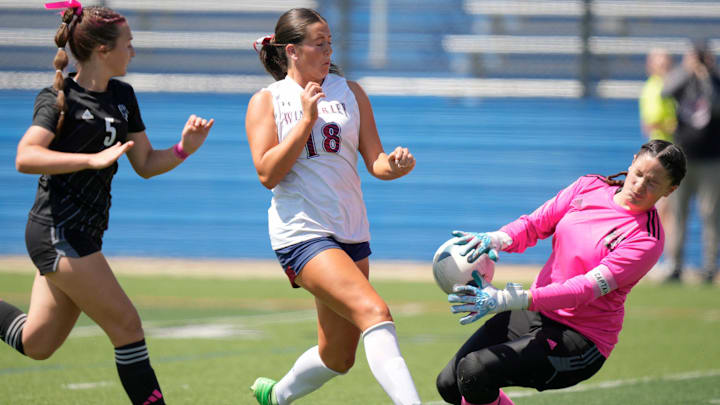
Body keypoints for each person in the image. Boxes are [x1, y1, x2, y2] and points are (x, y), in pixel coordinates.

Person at [0, 2, 214, 404]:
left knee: (37, 343)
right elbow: (25, 156)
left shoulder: (122, 95)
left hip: (84, 233)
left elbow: (147, 163)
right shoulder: (59, 97)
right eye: (127, 43)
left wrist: (185, 148)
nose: (132, 50)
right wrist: (89, 160)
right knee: (128, 326)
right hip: (56, 231)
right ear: (102, 49)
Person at [245, 8, 421, 405]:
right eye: (318, 44)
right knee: (375, 312)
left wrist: (393, 166)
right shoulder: (267, 101)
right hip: (302, 232)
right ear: (292, 51)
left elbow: (374, 161)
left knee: (338, 357)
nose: (328, 52)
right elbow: (267, 174)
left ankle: (276, 396)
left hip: (351, 231)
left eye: (330, 44)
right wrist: (305, 120)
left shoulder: (351, 92)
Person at [435, 140, 686, 405]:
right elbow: (534, 225)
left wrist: (509, 299)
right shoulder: (588, 187)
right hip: (535, 313)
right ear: (632, 161)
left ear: (670, 190)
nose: (638, 186)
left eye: (652, 183)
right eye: (638, 174)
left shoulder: (647, 240)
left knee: (475, 370)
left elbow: (584, 289)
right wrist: (496, 238)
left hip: (579, 339)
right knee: (450, 384)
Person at [662, 39, 720, 284]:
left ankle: (708, 268)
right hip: (682, 160)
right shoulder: (682, 79)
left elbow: (715, 106)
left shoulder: (715, 80)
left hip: (711, 161)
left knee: (710, 214)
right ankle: (675, 267)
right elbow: (665, 91)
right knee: (678, 214)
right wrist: (687, 70)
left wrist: (706, 75)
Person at [639, 48, 677, 260]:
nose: (665, 68)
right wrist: (677, 125)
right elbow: (651, 122)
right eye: (660, 63)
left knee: (667, 210)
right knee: (663, 210)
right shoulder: (654, 88)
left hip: (671, 155)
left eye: (667, 63)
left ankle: (667, 258)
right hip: (663, 158)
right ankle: (661, 257)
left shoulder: (669, 86)